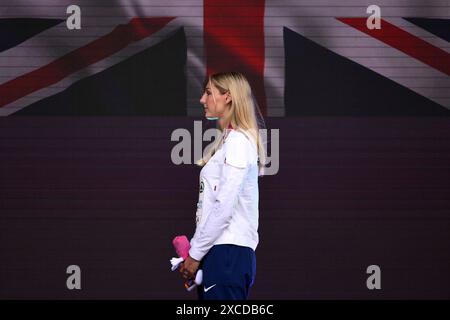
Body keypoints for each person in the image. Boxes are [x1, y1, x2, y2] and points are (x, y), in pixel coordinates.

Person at [179, 71, 266, 300]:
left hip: (228, 253)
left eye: (208, 93)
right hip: (221, 252)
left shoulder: (238, 142)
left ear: (227, 97)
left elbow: (224, 206)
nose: (202, 99)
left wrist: (195, 254)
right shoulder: (230, 140)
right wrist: (199, 254)